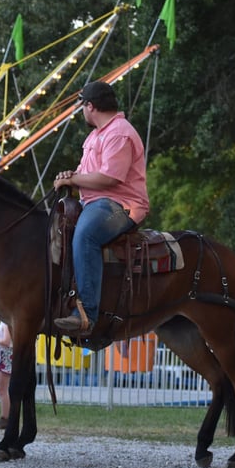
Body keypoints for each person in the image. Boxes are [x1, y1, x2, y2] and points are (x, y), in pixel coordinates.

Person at [53, 81, 149, 336]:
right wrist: (71, 176)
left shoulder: (119, 133)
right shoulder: (96, 135)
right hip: (94, 203)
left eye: (82, 106)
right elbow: (88, 174)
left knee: (86, 236)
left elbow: (109, 178)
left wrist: (72, 179)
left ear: (90, 106)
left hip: (123, 207)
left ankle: (86, 315)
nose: (82, 112)